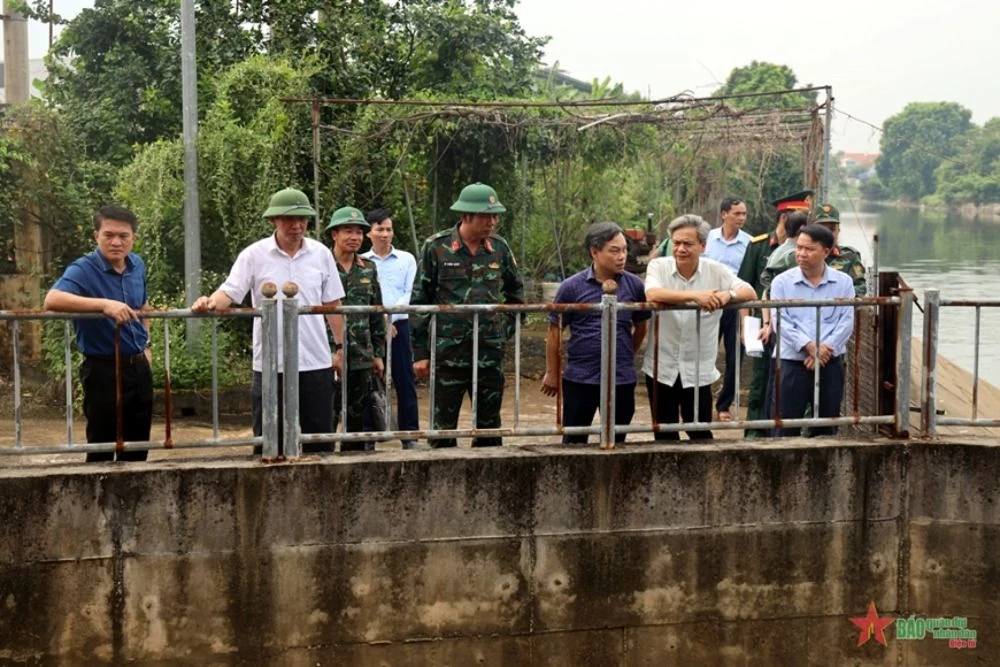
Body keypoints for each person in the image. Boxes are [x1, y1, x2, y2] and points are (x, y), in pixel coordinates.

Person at [191, 187, 345, 455]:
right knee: (268, 440)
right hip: (271, 363)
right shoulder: (254, 255)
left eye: (302, 220)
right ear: (274, 220)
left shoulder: (321, 254)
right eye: (288, 220)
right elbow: (230, 291)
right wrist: (209, 302)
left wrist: (342, 348)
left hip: (314, 361)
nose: (296, 226)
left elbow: (332, 304)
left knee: (319, 439)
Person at [410, 182, 524, 448]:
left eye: (495, 216)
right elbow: (419, 302)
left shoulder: (499, 249)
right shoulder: (436, 248)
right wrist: (421, 353)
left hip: (488, 354)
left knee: (489, 427)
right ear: (465, 216)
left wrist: (501, 332)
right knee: (442, 429)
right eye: (486, 216)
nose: (493, 222)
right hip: (448, 354)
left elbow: (516, 296)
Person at [44, 204, 153, 462]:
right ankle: (99, 499)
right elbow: (52, 299)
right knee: (102, 446)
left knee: (137, 446)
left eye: (123, 236)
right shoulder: (83, 269)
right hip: (103, 369)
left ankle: (133, 498)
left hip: (138, 368)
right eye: (109, 235)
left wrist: (147, 346)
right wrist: (103, 304)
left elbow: (143, 306)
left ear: (133, 238)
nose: (116, 242)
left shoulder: (137, 265)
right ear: (96, 236)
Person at [644, 214, 755, 440]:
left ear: (703, 246)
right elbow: (653, 293)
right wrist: (697, 296)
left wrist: (727, 295)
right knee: (664, 433)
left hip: (698, 369)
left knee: (700, 431)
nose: (681, 249)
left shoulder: (716, 270)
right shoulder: (658, 266)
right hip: (661, 366)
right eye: (676, 243)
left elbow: (749, 291)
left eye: (688, 244)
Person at [541, 222, 649, 444]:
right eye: (614, 250)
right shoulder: (571, 287)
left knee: (616, 440)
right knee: (574, 441)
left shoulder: (634, 286)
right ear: (594, 252)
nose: (621, 256)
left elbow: (640, 328)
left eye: (624, 250)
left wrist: (625, 355)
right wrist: (552, 372)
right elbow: (554, 331)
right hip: (581, 377)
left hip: (621, 378)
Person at [737, 189, 813, 437]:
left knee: (788, 382)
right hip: (764, 325)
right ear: (785, 218)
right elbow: (746, 288)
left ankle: (782, 430)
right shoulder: (760, 246)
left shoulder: (807, 251)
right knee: (761, 380)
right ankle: (754, 432)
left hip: (794, 327)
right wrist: (745, 328)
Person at [769, 224, 855, 437]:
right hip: (792, 361)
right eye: (799, 248)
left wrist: (825, 349)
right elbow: (780, 320)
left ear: (826, 252)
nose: (801, 254)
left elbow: (847, 320)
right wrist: (809, 346)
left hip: (830, 362)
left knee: (826, 426)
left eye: (809, 249)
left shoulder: (843, 282)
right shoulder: (782, 282)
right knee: (785, 425)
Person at [326, 206, 386, 451]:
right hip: (326, 354)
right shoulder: (322, 265)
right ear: (334, 235)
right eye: (348, 231)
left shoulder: (368, 268)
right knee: (326, 414)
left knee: (356, 416)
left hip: (362, 354)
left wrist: (378, 354)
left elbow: (376, 312)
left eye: (359, 232)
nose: (354, 237)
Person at [361, 208, 420, 449]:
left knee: (404, 379)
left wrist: (391, 318)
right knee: (368, 380)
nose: (385, 234)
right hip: (370, 327)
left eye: (389, 229)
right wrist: (381, 321)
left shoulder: (406, 259)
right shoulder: (362, 261)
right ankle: (368, 436)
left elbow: (410, 292)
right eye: (380, 229)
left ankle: (410, 435)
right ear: (369, 233)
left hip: (400, 326)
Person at [702, 196, 752, 422]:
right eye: (737, 213)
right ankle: (698, 401)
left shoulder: (751, 243)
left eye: (744, 214)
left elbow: (749, 278)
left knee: (735, 356)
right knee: (703, 352)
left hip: (735, 304)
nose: (741, 218)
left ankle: (724, 405)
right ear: (724, 214)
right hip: (709, 302)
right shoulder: (707, 239)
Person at [814, 203, 867, 296]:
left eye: (832, 229)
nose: (827, 234)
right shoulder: (802, 255)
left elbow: (860, 288)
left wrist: (835, 294)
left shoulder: (850, 256)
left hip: (841, 306)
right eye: (821, 229)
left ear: (838, 231)